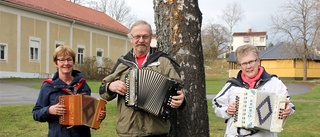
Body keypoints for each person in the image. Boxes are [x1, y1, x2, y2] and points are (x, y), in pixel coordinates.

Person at [99, 20, 185, 137]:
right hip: (128, 130)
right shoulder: (123, 63)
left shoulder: (163, 62)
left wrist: (181, 99)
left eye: (145, 36)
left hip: (156, 130)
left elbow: (178, 88)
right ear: (131, 39)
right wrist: (110, 86)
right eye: (137, 37)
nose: (141, 40)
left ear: (150, 38)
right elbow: (103, 91)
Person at [212, 44, 295, 137]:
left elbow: (289, 105)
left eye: (251, 62)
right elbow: (216, 104)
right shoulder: (232, 85)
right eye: (244, 63)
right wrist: (227, 111)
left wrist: (288, 110)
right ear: (239, 66)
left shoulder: (275, 83)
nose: (248, 66)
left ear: (258, 61)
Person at [32, 45, 106, 137]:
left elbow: (89, 113)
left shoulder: (83, 85)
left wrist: (99, 116)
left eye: (69, 59)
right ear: (56, 63)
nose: (66, 63)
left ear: (73, 62)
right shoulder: (48, 86)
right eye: (61, 60)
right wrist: (49, 110)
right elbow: (36, 113)